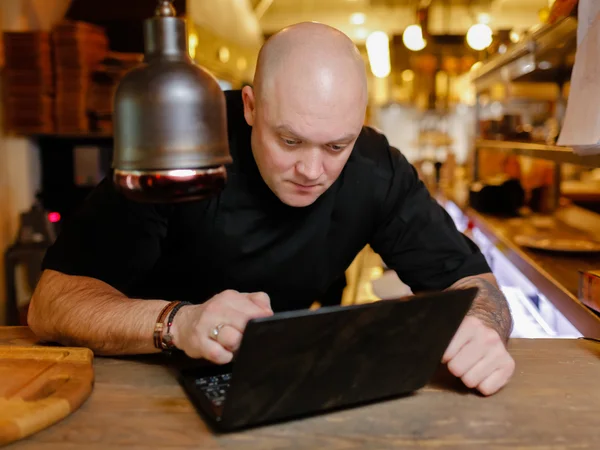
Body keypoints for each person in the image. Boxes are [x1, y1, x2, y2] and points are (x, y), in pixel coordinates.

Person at [28, 22, 515, 396]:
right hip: (134, 380)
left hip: (269, 386)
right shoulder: (181, 143)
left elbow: (477, 286)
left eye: (336, 146)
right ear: (250, 107)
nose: (311, 169)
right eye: (289, 140)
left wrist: (482, 329)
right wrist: (180, 323)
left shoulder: (376, 169)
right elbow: (51, 304)